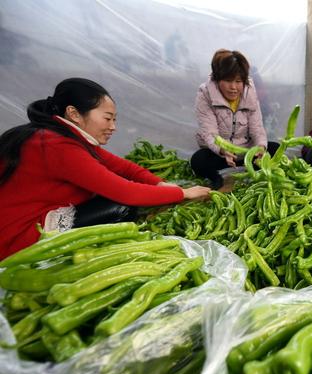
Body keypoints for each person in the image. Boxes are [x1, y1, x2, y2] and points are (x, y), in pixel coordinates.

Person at [0, 78, 211, 260]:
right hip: (18, 238)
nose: (113, 127)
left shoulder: (60, 135)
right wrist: (181, 193)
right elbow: (126, 191)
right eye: (108, 118)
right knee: (120, 207)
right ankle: (59, 256)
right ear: (73, 113)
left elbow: (122, 166)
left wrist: (158, 183)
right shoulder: (57, 145)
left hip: (21, 223)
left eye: (114, 119)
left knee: (113, 199)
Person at [192, 49, 277, 189]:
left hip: (246, 150)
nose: (233, 87)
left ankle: (254, 172)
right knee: (198, 160)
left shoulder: (249, 93)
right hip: (220, 154)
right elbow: (210, 133)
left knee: (274, 148)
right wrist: (223, 150)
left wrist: (260, 147)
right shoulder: (205, 94)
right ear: (218, 79)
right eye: (228, 80)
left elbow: (257, 127)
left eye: (238, 81)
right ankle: (215, 178)